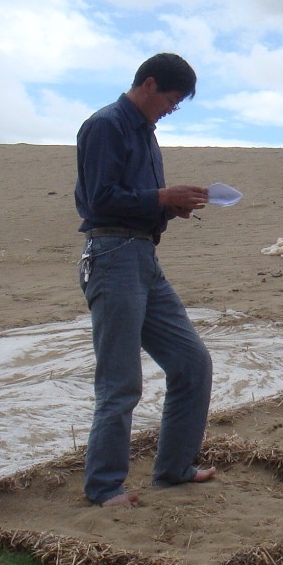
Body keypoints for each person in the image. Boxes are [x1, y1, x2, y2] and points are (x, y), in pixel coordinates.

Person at [74, 53, 216, 507]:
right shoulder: (106, 125)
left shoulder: (146, 134)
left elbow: (135, 201)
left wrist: (169, 206)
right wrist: (160, 196)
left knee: (192, 363)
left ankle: (174, 469)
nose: (173, 108)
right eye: (172, 99)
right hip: (112, 255)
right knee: (120, 382)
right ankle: (104, 489)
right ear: (149, 84)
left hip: (142, 257)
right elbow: (99, 199)